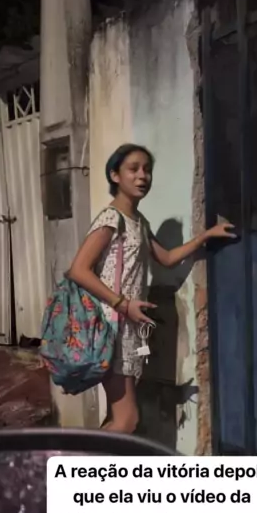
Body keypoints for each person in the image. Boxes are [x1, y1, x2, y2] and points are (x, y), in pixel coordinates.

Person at [67, 143, 236, 433]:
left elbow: (167, 258)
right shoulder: (111, 219)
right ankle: (76, 460)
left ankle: (91, 460)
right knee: (127, 419)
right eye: (133, 169)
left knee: (119, 416)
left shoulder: (139, 222)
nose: (142, 176)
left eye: (147, 170)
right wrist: (123, 304)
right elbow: (78, 270)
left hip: (128, 328)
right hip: (112, 327)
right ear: (115, 175)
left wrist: (206, 236)